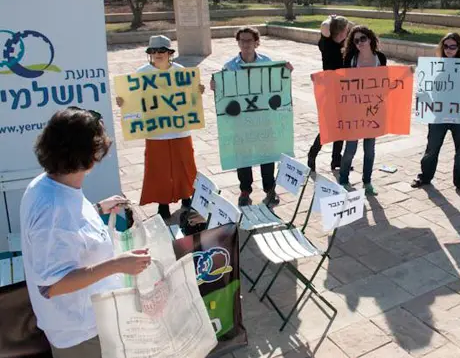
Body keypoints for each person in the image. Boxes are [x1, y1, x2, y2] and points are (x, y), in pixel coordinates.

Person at [20, 108, 151, 357]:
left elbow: (67, 231)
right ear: (90, 157)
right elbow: (52, 286)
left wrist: (98, 208)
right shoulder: (53, 209)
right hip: (80, 332)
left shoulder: (48, 184)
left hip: (87, 322)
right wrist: (118, 265)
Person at [116, 35, 204, 221]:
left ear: (169, 53)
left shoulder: (181, 72)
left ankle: (186, 198)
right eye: (153, 51)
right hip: (156, 132)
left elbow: (190, 97)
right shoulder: (142, 73)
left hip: (180, 129)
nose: (157, 54)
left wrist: (198, 91)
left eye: (161, 51)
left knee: (185, 165)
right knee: (159, 169)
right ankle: (162, 204)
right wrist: (123, 101)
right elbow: (134, 99)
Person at [211, 26, 294, 206]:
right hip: (241, 121)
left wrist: (286, 72)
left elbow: (277, 84)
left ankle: (269, 189)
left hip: (263, 119)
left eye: (249, 40)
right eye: (242, 41)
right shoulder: (229, 66)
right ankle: (245, 190)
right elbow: (224, 93)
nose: (245, 44)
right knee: (243, 156)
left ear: (256, 42)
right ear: (238, 43)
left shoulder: (267, 62)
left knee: (267, 155)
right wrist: (216, 85)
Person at [411, 33, 460, 195]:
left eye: (453, 46)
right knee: (432, 147)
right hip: (439, 113)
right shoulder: (434, 66)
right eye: (446, 46)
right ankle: (425, 176)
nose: (449, 50)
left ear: (459, 48)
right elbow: (427, 86)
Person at [337, 26, 387, 196]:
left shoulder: (380, 58)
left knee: (370, 149)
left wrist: (407, 74)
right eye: (356, 40)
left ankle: (367, 182)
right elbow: (342, 81)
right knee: (350, 148)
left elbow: (385, 82)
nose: (359, 43)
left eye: (363, 39)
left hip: (373, 110)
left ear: (370, 39)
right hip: (354, 110)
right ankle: (343, 180)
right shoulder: (351, 58)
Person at [307, 15, 352, 172]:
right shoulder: (327, 44)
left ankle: (336, 160)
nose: (347, 31)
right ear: (338, 30)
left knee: (341, 127)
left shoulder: (346, 45)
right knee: (329, 126)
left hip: (345, 91)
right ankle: (312, 154)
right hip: (330, 90)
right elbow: (324, 27)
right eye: (345, 29)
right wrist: (331, 18)